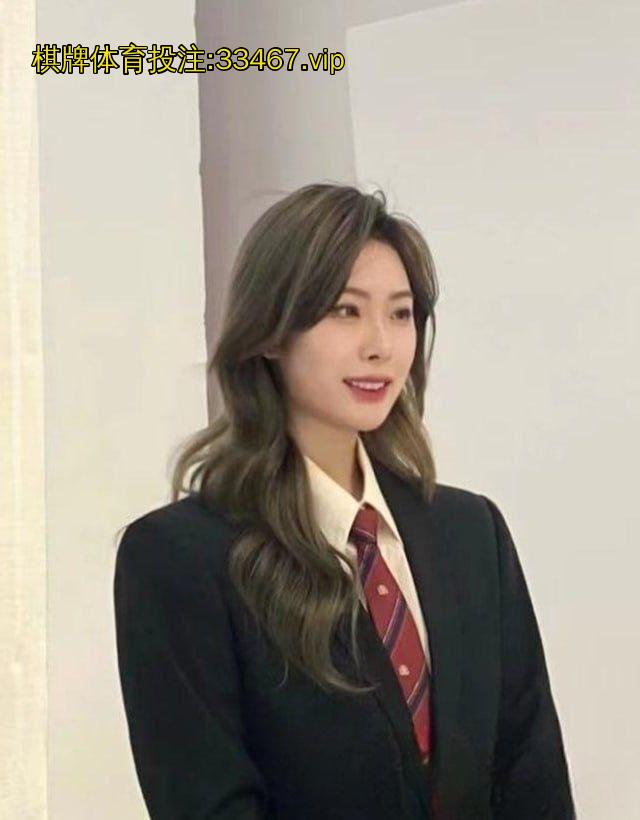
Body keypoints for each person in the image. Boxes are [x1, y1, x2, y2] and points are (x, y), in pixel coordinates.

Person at [113, 182, 576, 819]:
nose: (380, 345)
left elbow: (532, 779)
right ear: (270, 331)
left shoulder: (472, 534)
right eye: (345, 311)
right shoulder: (179, 558)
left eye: (400, 314)